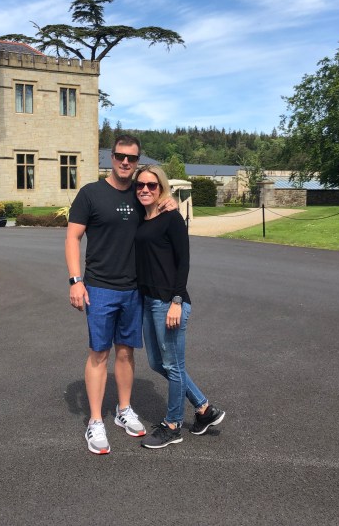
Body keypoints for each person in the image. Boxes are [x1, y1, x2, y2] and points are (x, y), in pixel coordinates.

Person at [66, 134, 176, 455]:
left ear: (138, 160)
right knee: (99, 354)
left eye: (132, 158)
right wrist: (75, 280)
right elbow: (73, 238)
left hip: (133, 289)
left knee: (126, 353)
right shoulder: (90, 194)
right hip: (99, 287)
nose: (125, 162)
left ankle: (123, 409)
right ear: (111, 158)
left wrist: (169, 202)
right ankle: (95, 420)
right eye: (120, 156)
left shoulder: (143, 194)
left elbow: (162, 212)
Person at [133, 164, 225, 449]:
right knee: (157, 363)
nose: (145, 189)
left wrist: (176, 301)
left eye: (151, 185)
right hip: (148, 300)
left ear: (161, 188)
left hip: (168, 301)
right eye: (140, 185)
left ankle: (173, 425)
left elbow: (183, 262)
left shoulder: (171, 218)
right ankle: (204, 409)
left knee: (173, 366)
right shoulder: (141, 216)